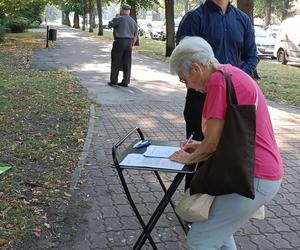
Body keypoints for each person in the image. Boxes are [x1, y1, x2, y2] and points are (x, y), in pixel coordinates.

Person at [169, 36, 283, 250]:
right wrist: (198, 147)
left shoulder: (217, 82)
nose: (189, 87)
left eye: (184, 80)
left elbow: (212, 144)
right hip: (259, 173)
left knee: (200, 240)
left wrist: (189, 156)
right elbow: (221, 137)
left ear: (196, 68)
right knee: (218, 235)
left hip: (254, 175)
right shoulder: (231, 73)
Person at [176, 0, 259, 189]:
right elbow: (183, 59)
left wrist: (234, 79)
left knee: (228, 151)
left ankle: (219, 205)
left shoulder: (242, 19)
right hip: (200, 98)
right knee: (196, 155)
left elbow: (252, 56)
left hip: (233, 101)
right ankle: (193, 206)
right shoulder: (195, 18)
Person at [108, 4, 138, 87]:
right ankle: (125, 81)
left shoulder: (119, 18)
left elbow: (110, 25)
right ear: (129, 11)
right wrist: (132, 44)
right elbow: (135, 35)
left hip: (119, 42)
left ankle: (114, 81)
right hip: (129, 43)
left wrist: (116, 16)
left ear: (121, 10)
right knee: (127, 63)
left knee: (116, 61)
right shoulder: (133, 21)